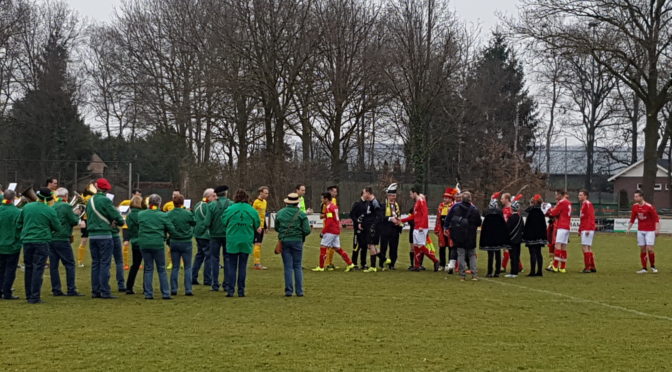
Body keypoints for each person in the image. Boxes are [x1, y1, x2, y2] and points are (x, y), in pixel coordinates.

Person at [17, 188, 63, 303]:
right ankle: (35, 296)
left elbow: (19, 223)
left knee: (29, 268)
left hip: (27, 241)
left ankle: (28, 295)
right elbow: (58, 228)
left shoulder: (27, 207)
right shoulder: (49, 210)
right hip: (42, 241)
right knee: (38, 268)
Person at [86, 178, 125, 299]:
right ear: (106, 188)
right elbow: (116, 216)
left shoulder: (90, 200)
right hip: (104, 235)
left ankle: (95, 290)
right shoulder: (105, 200)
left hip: (92, 236)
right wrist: (118, 222)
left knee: (95, 263)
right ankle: (105, 291)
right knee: (104, 263)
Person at [221, 189, 259, 297]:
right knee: (242, 266)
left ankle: (230, 290)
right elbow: (257, 224)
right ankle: (241, 290)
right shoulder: (251, 210)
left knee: (231, 266)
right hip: (246, 239)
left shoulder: (230, 209)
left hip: (232, 239)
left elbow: (224, 222)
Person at [138, 194, 176, 299]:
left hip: (144, 243)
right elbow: (171, 229)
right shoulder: (163, 215)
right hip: (157, 243)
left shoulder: (141, 214)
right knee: (161, 269)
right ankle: (165, 293)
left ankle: (148, 293)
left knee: (148, 269)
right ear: (159, 203)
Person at [276, 193, 311, 297]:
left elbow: (277, 228)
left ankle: (288, 290)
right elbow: (307, 230)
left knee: (288, 266)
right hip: (297, 241)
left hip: (285, 241)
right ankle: (299, 291)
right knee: (297, 266)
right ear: (297, 203)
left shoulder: (280, 213)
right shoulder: (301, 214)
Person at [49, 188, 83, 296]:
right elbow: (73, 221)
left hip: (51, 238)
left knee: (53, 266)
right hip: (62, 238)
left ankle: (56, 289)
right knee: (70, 264)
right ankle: (71, 289)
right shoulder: (67, 206)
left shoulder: (52, 206)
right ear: (66, 196)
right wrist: (77, 214)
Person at [312, 193, 355, 272]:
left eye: (322, 198)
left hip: (330, 231)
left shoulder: (328, 208)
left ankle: (321, 267)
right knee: (337, 248)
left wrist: (323, 231)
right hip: (336, 230)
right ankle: (350, 264)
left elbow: (329, 221)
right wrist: (324, 216)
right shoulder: (334, 206)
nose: (321, 200)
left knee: (323, 246)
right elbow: (332, 217)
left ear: (326, 199)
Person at [401, 188, 440, 272]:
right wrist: (401, 220)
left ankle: (436, 261)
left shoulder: (421, 201)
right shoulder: (417, 202)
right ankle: (417, 265)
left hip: (421, 228)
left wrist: (422, 226)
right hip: (417, 226)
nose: (410, 195)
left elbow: (425, 214)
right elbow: (414, 216)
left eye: (411, 194)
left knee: (420, 246)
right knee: (416, 246)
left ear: (415, 193)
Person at [446, 191, 482, 281]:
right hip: (471, 235)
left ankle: (462, 275)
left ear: (462, 198)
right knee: (472, 254)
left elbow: (448, 218)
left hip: (459, 234)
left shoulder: (455, 207)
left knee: (461, 254)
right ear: (470, 199)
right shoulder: (474, 209)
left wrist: (446, 228)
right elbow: (479, 222)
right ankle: (474, 274)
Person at [167, 195, 196, 296]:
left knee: (175, 267)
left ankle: (174, 288)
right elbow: (194, 222)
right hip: (186, 241)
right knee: (188, 267)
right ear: (183, 202)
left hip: (174, 241)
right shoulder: (187, 213)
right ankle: (188, 289)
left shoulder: (169, 214)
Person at [204, 185, 232, 291]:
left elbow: (207, 222)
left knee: (214, 259)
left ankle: (215, 284)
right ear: (226, 193)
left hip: (214, 235)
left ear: (216, 194)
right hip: (228, 235)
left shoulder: (211, 205)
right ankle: (227, 283)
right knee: (228, 259)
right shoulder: (231, 204)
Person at [627, 190, 660, 274]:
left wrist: (657, 229)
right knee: (642, 249)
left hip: (650, 230)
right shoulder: (635, 206)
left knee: (650, 249)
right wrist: (628, 228)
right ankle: (644, 268)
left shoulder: (649, 207)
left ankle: (653, 266)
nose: (635, 198)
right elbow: (632, 218)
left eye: (637, 196)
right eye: (634, 196)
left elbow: (656, 219)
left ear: (641, 197)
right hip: (640, 230)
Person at [479, 192, 510, 278]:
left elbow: (484, 227)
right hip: (498, 237)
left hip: (489, 237)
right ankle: (497, 272)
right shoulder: (500, 214)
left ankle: (489, 272)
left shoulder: (487, 215)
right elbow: (503, 226)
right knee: (498, 254)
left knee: (490, 255)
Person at [0, 190, 22, 299]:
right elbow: (20, 228)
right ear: (13, 198)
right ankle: (7, 292)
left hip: (0, 245)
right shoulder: (17, 212)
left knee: (1, 269)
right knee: (10, 270)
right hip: (13, 246)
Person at [192, 188, 215, 286]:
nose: (215, 198)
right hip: (205, 234)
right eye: (213, 196)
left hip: (198, 233)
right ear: (208, 197)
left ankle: (193, 277)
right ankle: (207, 279)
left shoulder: (198, 204)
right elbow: (208, 220)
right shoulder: (207, 206)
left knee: (200, 256)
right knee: (209, 257)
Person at [379, 183, 403, 270]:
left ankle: (392, 264)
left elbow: (399, 215)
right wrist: (390, 219)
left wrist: (399, 223)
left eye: (395, 196)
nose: (394, 198)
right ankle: (382, 263)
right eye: (392, 196)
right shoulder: (383, 205)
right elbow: (381, 217)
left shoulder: (397, 205)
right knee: (383, 247)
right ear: (388, 196)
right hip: (385, 229)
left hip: (395, 230)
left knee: (394, 248)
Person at [523, 195, 548, 277]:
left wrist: (525, 234)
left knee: (532, 253)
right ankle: (539, 271)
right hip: (539, 236)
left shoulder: (531, 212)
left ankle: (532, 271)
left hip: (532, 236)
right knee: (538, 253)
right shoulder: (540, 212)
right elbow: (543, 226)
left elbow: (528, 225)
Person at [547, 190, 572, 273]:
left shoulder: (562, 202)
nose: (555, 197)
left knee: (558, 245)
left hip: (561, 226)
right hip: (567, 226)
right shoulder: (568, 202)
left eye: (556, 195)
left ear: (560, 195)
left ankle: (555, 266)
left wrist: (548, 210)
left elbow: (554, 213)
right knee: (564, 246)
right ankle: (562, 267)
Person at [360, 187, 384, 272]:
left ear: (368, 193)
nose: (363, 195)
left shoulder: (374, 202)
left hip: (374, 227)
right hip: (370, 226)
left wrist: (374, 226)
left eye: (364, 193)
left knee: (371, 245)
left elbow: (379, 216)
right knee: (370, 245)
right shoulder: (369, 202)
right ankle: (384, 259)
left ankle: (373, 266)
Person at [124, 195, 144, 294]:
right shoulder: (143, 214)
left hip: (135, 242)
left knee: (135, 265)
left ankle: (129, 286)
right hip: (144, 241)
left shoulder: (129, 216)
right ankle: (146, 287)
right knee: (148, 266)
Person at [501, 193, 524, 274]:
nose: (501, 200)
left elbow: (513, 220)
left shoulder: (511, 209)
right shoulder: (504, 208)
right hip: (505, 231)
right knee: (509, 250)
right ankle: (519, 267)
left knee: (509, 250)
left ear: (507, 199)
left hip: (511, 233)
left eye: (502, 198)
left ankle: (503, 266)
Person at [435, 188, 457, 271]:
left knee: (451, 247)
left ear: (451, 199)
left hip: (450, 229)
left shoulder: (454, 206)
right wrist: (436, 228)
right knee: (442, 247)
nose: (445, 199)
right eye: (444, 197)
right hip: (441, 229)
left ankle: (450, 264)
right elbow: (438, 218)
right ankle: (442, 264)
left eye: (447, 198)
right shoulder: (440, 206)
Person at [119, 189, 142, 270]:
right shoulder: (125, 202)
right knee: (126, 243)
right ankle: (125, 264)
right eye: (136, 195)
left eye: (139, 195)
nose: (138, 196)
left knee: (136, 245)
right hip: (126, 226)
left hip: (135, 227)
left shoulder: (141, 204)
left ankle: (137, 263)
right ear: (132, 194)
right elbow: (120, 211)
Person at [162, 189, 181, 270]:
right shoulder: (167, 205)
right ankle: (170, 262)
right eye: (174, 194)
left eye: (177, 195)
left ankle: (182, 263)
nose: (175, 196)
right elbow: (163, 213)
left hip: (180, 228)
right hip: (170, 228)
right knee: (169, 246)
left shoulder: (183, 205)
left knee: (181, 246)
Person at [578, 190, 597, 273]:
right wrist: (580, 229)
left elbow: (590, 217)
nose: (579, 196)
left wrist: (588, 228)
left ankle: (587, 267)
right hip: (585, 228)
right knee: (588, 247)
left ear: (585, 196)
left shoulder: (587, 204)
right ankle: (592, 266)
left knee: (585, 247)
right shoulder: (584, 204)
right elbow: (583, 218)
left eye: (580, 195)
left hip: (587, 228)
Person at [321, 185, 339, 270]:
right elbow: (322, 215)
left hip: (333, 226)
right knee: (327, 246)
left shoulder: (334, 201)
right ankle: (327, 263)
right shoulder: (325, 203)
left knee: (333, 246)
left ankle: (330, 262)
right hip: (328, 225)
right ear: (330, 192)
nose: (336, 193)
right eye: (334, 191)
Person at [252, 186, 270, 270]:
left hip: (262, 227)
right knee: (257, 244)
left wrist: (265, 226)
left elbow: (263, 215)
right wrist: (256, 226)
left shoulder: (265, 202)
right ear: (261, 193)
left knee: (259, 244)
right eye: (265, 193)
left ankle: (257, 263)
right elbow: (253, 215)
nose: (267, 194)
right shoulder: (256, 202)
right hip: (256, 227)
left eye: (267, 193)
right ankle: (257, 264)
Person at [349, 191, 368, 270]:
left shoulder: (368, 204)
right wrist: (357, 223)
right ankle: (354, 263)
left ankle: (363, 264)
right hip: (357, 230)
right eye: (365, 193)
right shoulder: (357, 204)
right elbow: (352, 215)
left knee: (365, 246)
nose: (367, 194)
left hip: (365, 229)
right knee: (356, 246)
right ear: (362, 194)